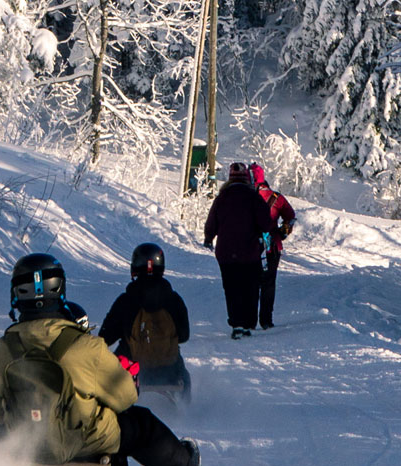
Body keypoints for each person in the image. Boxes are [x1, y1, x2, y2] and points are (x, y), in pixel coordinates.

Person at [0, 252, 200, 466]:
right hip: (87, 439)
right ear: (60, 290)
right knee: (141, 423)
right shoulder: (86, 347)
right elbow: (125, 398)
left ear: (16, 293)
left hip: (26, 439)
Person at [98, 240, 193, 399]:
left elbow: (105, 337)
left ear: (135, 267)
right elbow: (184, 336)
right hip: (170, 370)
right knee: (184, 372)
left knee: (113, 361)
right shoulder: (174, 300)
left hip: (133, 369)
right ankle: (186, 412)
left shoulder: (125, 301)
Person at [203, 160, 270, 339]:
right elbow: (266, 223)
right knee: (250, 287)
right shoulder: (253, 197)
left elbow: (211, 223)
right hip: (249, 252)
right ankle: (248, 323)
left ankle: (236, 323)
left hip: (226, 253)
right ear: (247, 178)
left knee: (231, 288)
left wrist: (208, 238)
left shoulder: (222, 197)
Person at [250, 163, 297, 332]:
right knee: (268, 283)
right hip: (272, 246)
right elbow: (290, 217)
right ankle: (266, 320)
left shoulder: (243, 197)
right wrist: (283, 232)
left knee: (249, 283)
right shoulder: (276, 197)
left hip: (248, 247)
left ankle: (249, 320)